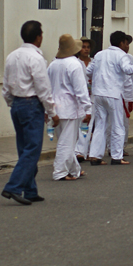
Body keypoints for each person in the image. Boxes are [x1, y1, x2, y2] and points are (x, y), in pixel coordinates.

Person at [0, 21, 56, 205]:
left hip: (17, 103)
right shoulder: (36, 58)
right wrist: (51, 110)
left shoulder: (12, 56)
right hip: (31, 103)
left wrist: (12, 102)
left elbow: (6, 86)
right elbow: (43, 87)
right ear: (39, 37)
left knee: (24, 148)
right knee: (32, 148)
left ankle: (30, 189)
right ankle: (13, 186)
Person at [86, 31, 133, 166]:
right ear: (121, 43)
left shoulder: (100, 54)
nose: (128, 46)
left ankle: (95, 155)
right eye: (126, 43)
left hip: (98, 94)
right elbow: (129, 70)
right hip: (114, 94)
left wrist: (98, 80)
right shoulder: (122, 55)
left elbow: (88, 71)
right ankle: (117, 156)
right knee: (118, 125)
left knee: (100, 125)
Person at [47, 35, 91, 181]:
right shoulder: (75, 64)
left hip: (56, 107)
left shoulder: (53, 64)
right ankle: (60, 172)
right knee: (67, 142)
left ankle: (74, 169)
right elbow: (81, 90)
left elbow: (47, 87)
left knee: (65, 140)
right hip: (69, 108)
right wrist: (88, 109)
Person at [74, 37, 94, 162]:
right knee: (80, 124)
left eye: (87, 47)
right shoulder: (76, 62)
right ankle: (79, 150)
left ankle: (82, 151)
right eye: (83, 47)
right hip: (79, 97)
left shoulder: (94, 62)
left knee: (88, 124)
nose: (86, 50)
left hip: (92, 96)